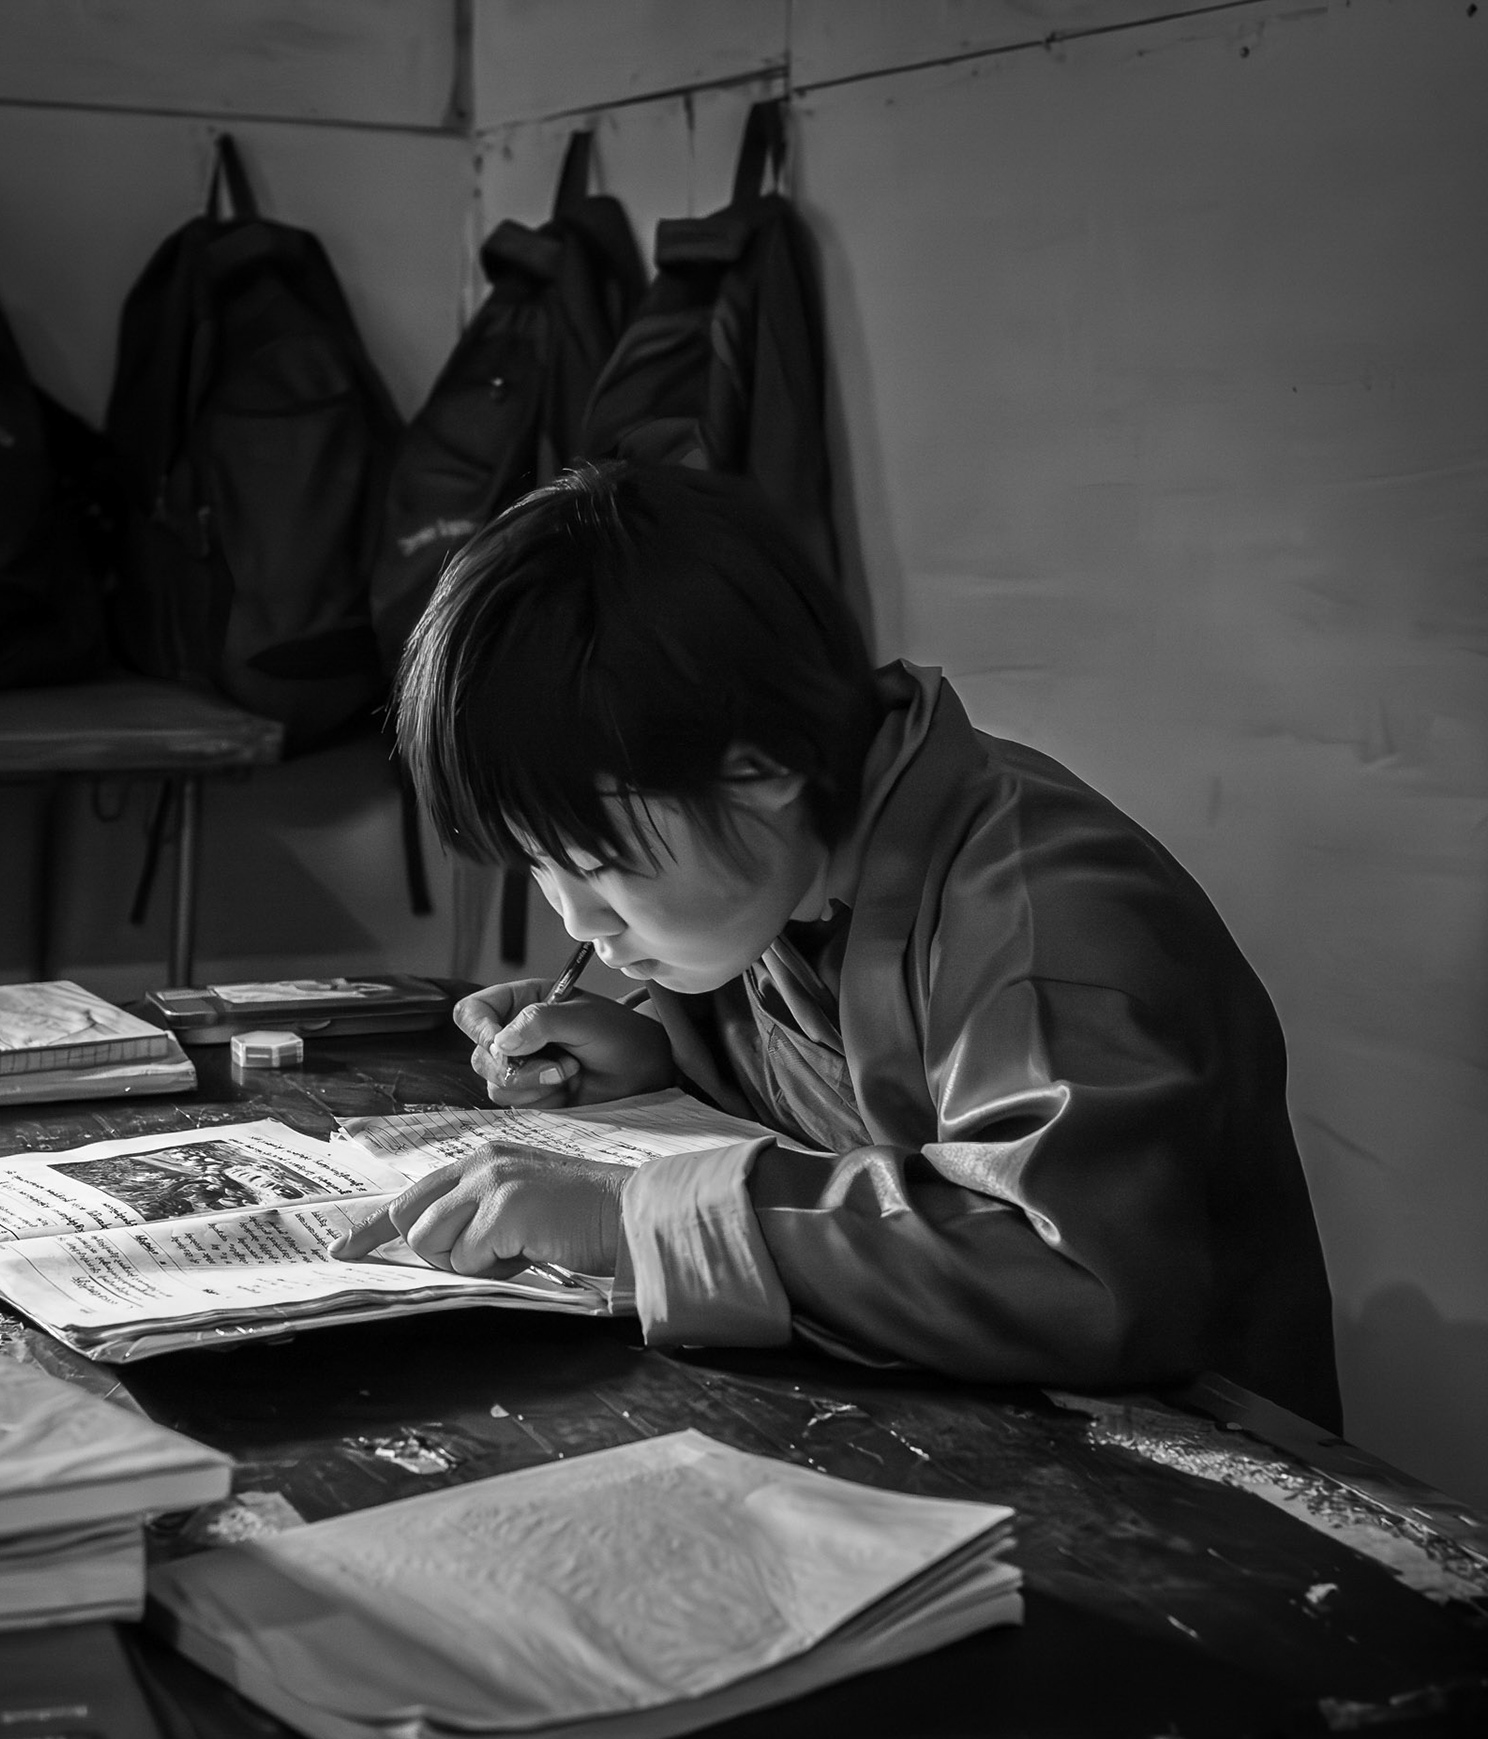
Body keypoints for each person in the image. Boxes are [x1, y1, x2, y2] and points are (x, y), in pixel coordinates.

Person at [333, 462, 1341, 1431]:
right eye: (542, 868)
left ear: (759, 769)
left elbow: (1076, 1276)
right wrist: (660, 1060)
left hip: (1206, 1504)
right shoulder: (794, 872)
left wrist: (634, 1215)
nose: (578, 924)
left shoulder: (1044, 920)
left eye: (599, 865)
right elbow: (855, 1112)